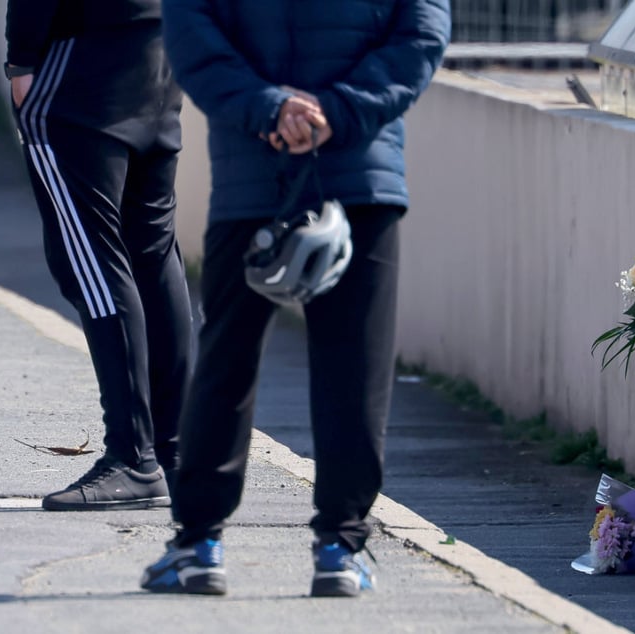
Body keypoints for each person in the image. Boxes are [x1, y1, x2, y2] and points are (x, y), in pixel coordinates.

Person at [139, 0, 450, 597]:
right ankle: (339, 547)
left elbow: (192, 34)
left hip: (255, 176)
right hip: (361, 174)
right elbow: (421, 34)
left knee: (226, 363)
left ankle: (199, 543)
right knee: (354, 367)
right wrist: (338, 111)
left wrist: (271, 108)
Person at [4, 1, 192, 510]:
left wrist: (21, 57)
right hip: (164, 45)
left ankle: (133, 457)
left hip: (82, 54)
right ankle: (173, 454)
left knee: (90, 263)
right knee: (151, 251)